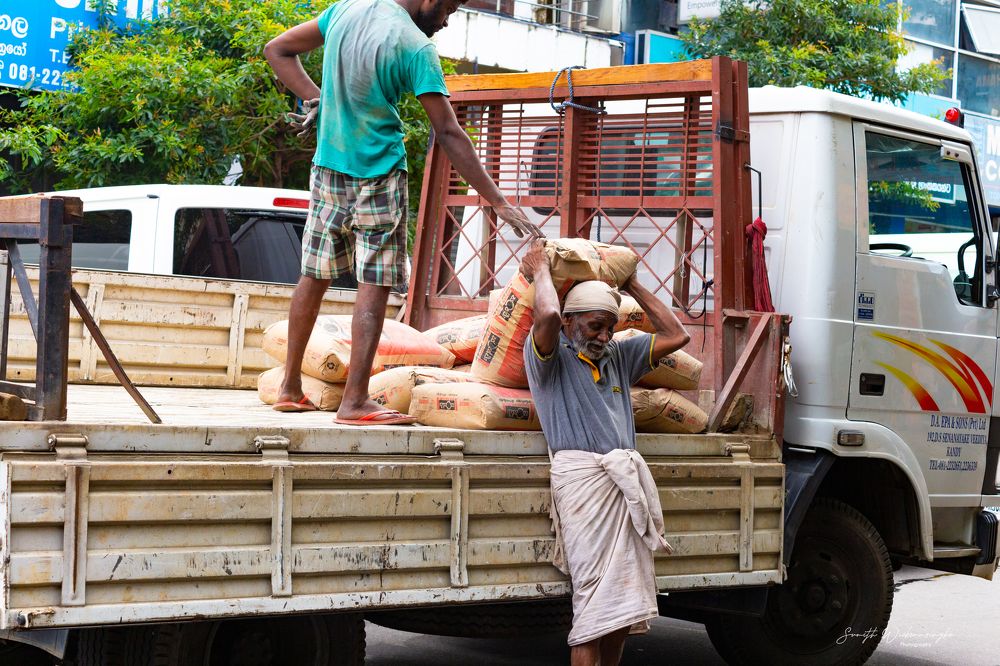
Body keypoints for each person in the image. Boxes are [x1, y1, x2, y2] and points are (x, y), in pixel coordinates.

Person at [263, 0, 541, 424]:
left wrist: (316, 99)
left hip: (328, 168)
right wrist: (496, 199)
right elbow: (448, 131)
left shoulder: (346, 10)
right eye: (448, 8)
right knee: (372, 284)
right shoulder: (415, 47)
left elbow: (277, 49)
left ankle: (289, 387)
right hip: (379, 173)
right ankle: (354, 401)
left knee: (313, 275)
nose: (446, 22)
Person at [519, 239, 690, 666]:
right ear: (570, 323)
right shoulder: (547, 357)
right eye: (595, 326)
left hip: (623, 487)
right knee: (593, 610)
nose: (604, 336)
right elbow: (548, 314)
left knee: (623, 611)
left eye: (609, 327)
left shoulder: (618, 355)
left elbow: (677, 334)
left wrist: (631, 283)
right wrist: (541, 269)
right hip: (585, 490)